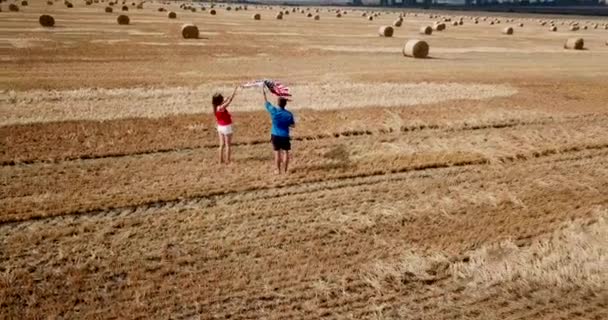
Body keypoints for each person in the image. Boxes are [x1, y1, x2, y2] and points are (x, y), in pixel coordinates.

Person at [263, 86, 295, 174]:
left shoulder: (274, 111)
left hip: (275, 135)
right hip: (285, 135)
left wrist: (264, 93)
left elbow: (266, 102)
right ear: (285, 104)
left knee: (277, 153)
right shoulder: (289, 114)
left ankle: (277, 170)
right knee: (286, 152)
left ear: (278, 103)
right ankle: (285, 170)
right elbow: (293, 125)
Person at [212, 87, 237, 164]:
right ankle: (228, 161)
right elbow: (229, 101)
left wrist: (226, 99)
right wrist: (233, 93)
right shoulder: (221, 107)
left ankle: (220, 160)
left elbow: (224, 102)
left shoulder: (216, 107)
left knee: (221, 145)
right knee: (228, 145)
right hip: (226, 127)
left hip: (220, 127)